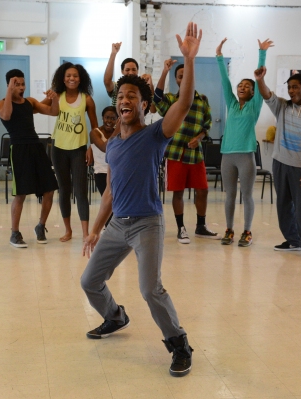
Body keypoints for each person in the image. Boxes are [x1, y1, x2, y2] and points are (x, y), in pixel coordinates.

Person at [81, 22, 202, 378]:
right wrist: (95, 231)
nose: (124, 101)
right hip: (118, 224)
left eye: (132, 96)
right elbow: (109, 193)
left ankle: (178, 343)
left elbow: (184, 103)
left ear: (144, 105)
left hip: (147, 222)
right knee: (89, 282)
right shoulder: (113, 145)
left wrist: (188, 61)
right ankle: (115, 316)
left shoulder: (155, 134)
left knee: (151, 289)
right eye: (120, 98)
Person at [254, 67, 301, 260]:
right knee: (283, 205)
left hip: (300, 166)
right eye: (289, 88)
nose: (291, 91)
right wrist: (260, 80)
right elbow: (266, 94)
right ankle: (293, 240)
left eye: (295, 87)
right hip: (280, 163)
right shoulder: (282, 106)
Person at [216, 37, 273, 247]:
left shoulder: (254, 105)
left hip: (246, 155)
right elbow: (225, 81)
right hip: (227, 156)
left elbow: (259, 79)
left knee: (246, 195)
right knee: (229, 195)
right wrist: (220, 57)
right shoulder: (231, 104)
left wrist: (262, 54)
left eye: (246, 86)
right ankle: (229, 230)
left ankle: (247, 231)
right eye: (240, 85)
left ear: (251, 92)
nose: (241, 87)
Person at [154, 59, 218, 243]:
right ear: (177, 80)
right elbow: (156, 99)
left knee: (203, 190)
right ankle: (181, 228)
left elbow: (207, 124)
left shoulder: (202, 100)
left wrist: (199, 137)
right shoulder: (172, 100)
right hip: (175, 154)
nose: (184, 78)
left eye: (187, 75)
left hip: (195, 154)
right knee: (178, 192)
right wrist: (165, 71)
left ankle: (200, 226)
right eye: (180, 76)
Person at [0, 69, 60, 248]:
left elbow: (53, 112)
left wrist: (55, 97)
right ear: (9, 85)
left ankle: (41, 226)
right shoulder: (0, 104)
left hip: (36, 147)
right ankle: (14, 233)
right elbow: (7, 115)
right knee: (21, 194)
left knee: (49, 188)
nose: (21, 87)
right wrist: (9, 92)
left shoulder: (30, 102)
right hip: (18, 149)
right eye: (17, 84)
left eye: (23, 84)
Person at [43, 62, 98, 241]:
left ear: (80, 78)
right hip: (58, 149)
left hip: (79, 149)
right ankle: (68, 230)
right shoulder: (58, 95)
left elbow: (95, 127)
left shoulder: (87, 99)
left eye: (75, 75)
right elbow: (39, 108)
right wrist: (50, 97)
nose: (71, 78)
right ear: (63, 79)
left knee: (81, 191)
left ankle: (85, 232)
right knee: (64, 190)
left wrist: (92, 147)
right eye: (68, 76)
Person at [90, 106, 118, 196]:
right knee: (109, 202)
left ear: (117, 120)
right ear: (102, 118)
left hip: (116, 172)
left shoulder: (119, 133)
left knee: (117, 203)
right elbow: (104, 148)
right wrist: (118, 130)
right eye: (107, 118)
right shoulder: (95, 132)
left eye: (113, 118)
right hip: (101, 173)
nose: (109, 121)